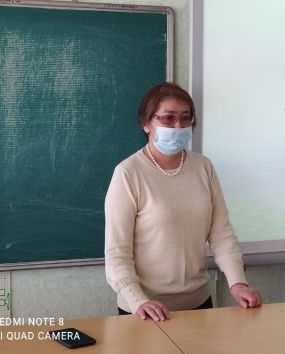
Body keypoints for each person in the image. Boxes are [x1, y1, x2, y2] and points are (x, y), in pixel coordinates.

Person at [105, 82, 262, 321]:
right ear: (146, 123)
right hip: (144, 309)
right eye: (168, 118)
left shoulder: (203, 167)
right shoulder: (128, 173)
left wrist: (237, 283)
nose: (178, 126)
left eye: (185, 118)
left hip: (199, 302)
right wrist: (138, 300)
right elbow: (117, 252)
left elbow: (221, 233)